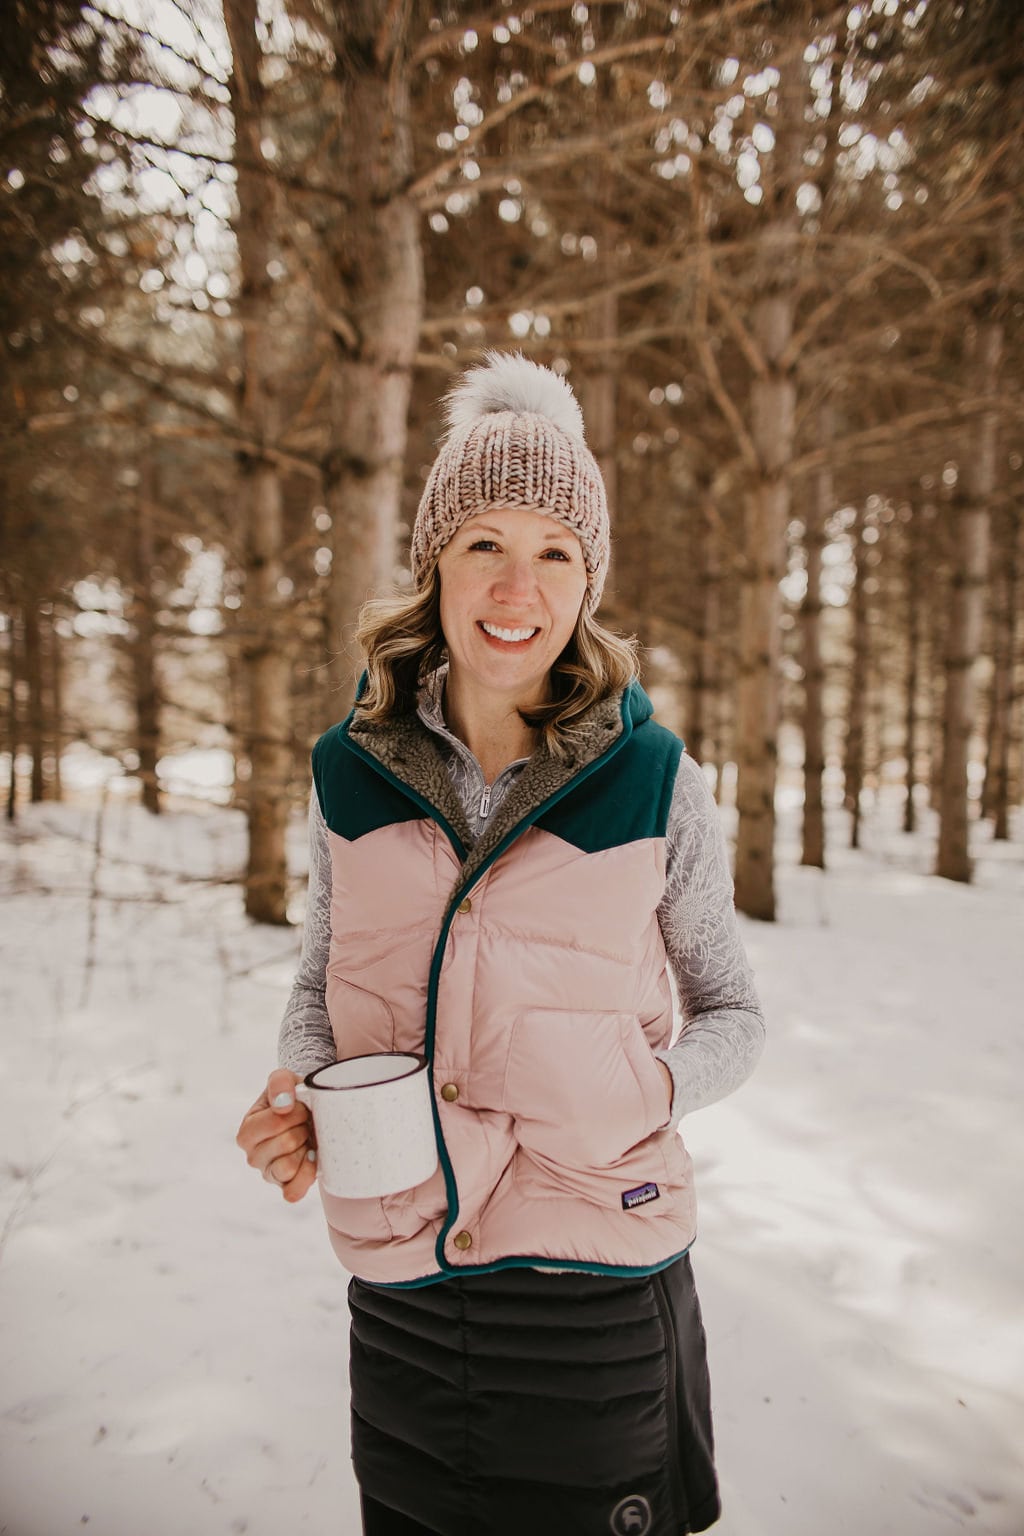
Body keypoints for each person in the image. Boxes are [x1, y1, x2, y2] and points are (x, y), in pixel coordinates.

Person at [236, 351, 765, 1536]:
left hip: (594, 1289)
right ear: (434, 561)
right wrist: (299, 1094)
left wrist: (646, 1086)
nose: (514, 586)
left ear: (588, 583)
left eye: (554, 552)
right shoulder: (347, 772)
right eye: (484, 541)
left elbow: (734, 1008)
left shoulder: (653, 778)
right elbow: (323, 990)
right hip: (406, 1286)